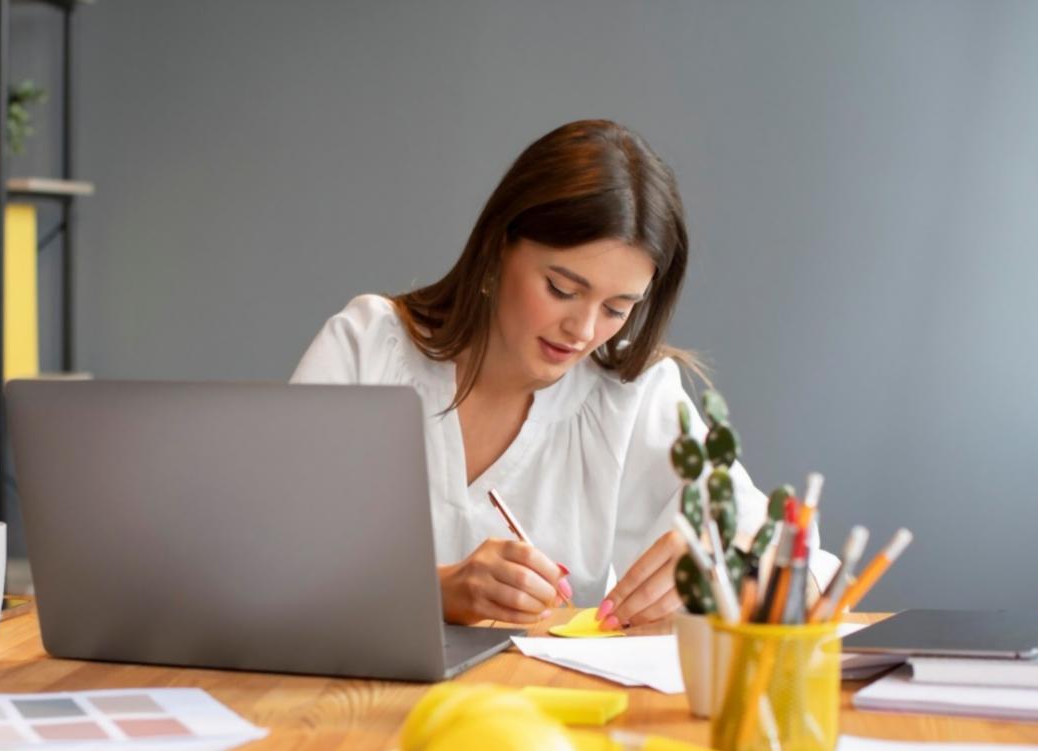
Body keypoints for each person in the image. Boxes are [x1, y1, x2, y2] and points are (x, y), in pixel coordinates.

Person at [291, 119, 837, 630]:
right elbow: (263, 563)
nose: (582, 329)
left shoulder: (633, 397)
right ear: (498, 246)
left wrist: (728, 574)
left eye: (618, 308)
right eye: (561, 289)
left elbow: (809, 571)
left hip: (550, 720)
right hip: (341, 717)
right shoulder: (369, 347)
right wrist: (437, 592)